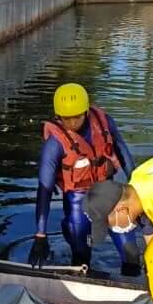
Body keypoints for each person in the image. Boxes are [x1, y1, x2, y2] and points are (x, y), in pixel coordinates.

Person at [30, 83, 138, 273]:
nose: (72, 123)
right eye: (66, 119)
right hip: (77, 199)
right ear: (58, 117)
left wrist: (137, 187)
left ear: (87, 112)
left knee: (131, 254)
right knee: (80, 251)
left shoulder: (104, 122)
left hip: (108, 191)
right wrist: (40, 234)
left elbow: (122, 152)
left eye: (77, 117)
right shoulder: (55, 143)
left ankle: (133, 279)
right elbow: (44, 189)